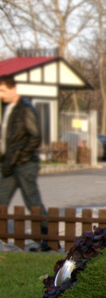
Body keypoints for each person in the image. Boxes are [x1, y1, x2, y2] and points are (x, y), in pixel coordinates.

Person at [0, 74, 50, 251]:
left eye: (3, 90)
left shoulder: (26, 109)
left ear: (14, 89)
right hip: (8, 164)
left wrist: (20, 157)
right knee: (1, 198)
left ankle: (48, 241)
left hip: (25, 164)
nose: (1, 94)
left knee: (33, 202)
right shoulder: (5, 108)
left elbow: (35, 137)